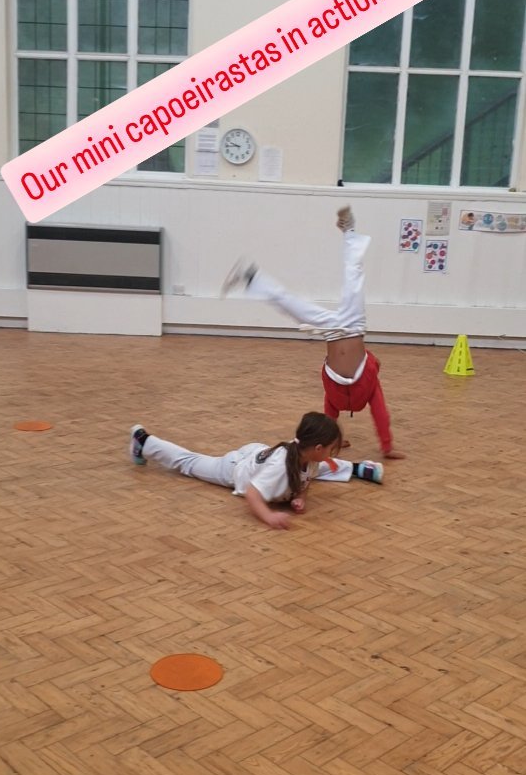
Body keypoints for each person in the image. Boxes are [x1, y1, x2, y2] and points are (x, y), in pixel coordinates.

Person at [221, 206, 404, 459]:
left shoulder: (337, 395)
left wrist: (337, 442)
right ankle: (349, 229)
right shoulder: (370, 382)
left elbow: (335, 415)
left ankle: (251, 277)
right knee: (354, 278)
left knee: (289, 304)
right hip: (353, 326)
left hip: (331, 331)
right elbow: (379, 412)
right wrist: (386, 447)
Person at [129, 411, 384, 531]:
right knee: (190, 463)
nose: (331, 454)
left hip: (260, 455)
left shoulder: (309, 456)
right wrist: (269, 517)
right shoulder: (281, 468)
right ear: (317, 448)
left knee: (324, 466)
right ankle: (144, 441)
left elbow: (308, 478)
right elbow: (252, 494)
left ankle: (358, 468)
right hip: (235, 467)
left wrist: (300, 496)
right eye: (330, 449)